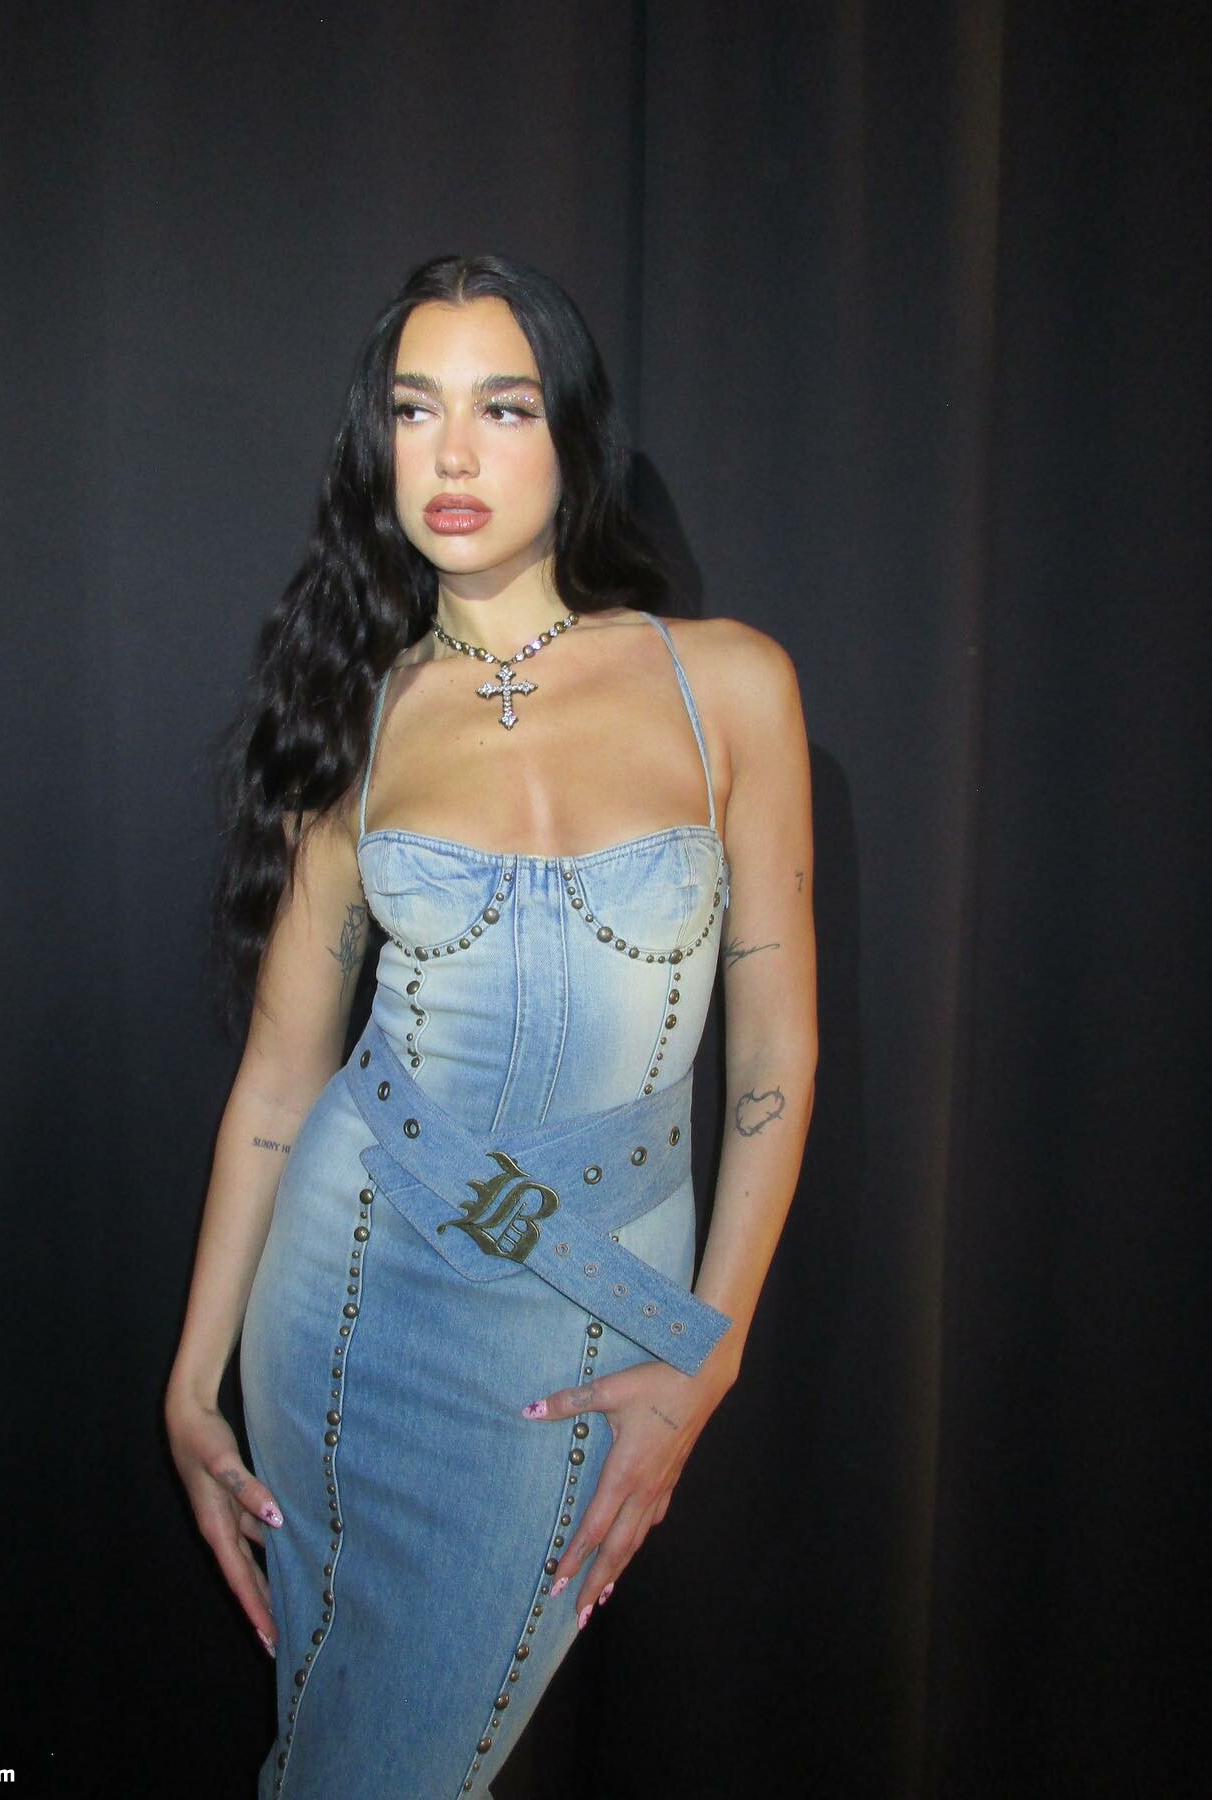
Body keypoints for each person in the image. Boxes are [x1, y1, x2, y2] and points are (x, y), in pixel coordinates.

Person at [164, 252, 817, 1799]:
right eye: (414, 410)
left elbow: (775, 1060)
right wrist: (189, 1386)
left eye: (502, 407)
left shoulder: (727, 686)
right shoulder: (357, 716)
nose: (451, 453)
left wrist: (708, 1359)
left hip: (588, 1314)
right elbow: (279, 1086)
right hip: (348, 1292)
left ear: (573, 437)